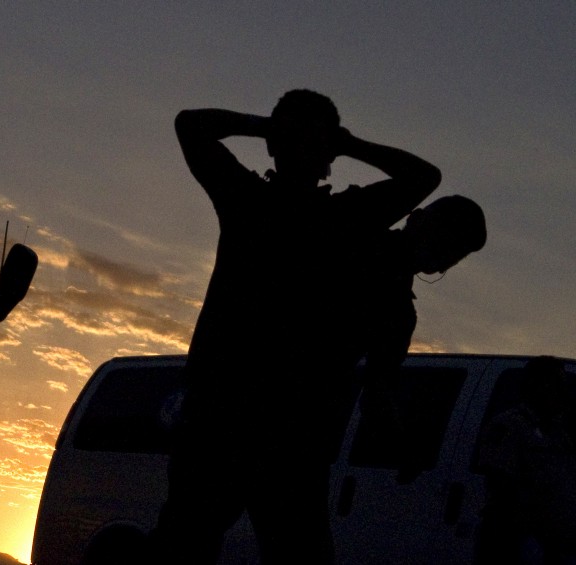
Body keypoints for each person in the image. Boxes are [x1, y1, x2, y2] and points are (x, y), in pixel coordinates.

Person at [147, 89, 441, 565]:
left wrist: (277, 130)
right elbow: (422, 177)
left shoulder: (264, 203)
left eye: (313, 140)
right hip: (249, 425)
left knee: (194, 545)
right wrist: (339, 142)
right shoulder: (322, 213)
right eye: (297, 137)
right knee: (195, 545)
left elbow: (191, 125)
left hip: (261, 427)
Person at [351, 194, 487, 483]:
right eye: (447, 245)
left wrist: (401, 448)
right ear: (416, 219)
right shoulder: (354, 241)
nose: (445, 260)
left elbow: (377, 392)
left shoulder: (399, 313)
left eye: (455, 253)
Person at [475, 355, 576, 564]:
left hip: (553, 546)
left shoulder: (558, 433)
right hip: (518, 543)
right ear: (538, 386)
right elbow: (502, 490)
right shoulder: (510, 426)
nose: (564, 393)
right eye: (557, 385)